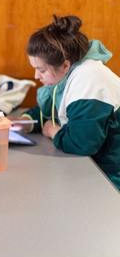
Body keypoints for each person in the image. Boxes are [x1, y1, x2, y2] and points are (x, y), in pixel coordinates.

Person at [15, 14, 120, 190]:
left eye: (41, 70)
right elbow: (57, 108)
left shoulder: (89, 82)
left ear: (64, 65)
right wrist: (26, 121)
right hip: (94, 170)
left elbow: (82, 144)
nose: (36, 76)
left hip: (110, 180)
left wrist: (53, 132)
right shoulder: (73, 71)